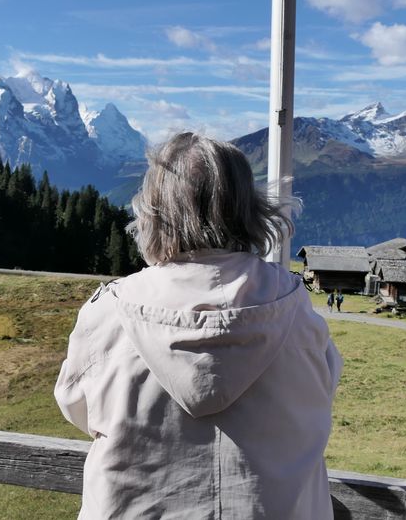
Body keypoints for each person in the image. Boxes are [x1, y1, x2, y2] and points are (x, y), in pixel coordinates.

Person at [55, 132, 343, 519]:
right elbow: (322, 393)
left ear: (152, 213)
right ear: (250, 210)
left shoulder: (109, 311)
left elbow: (76, 406)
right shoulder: (296, 311)